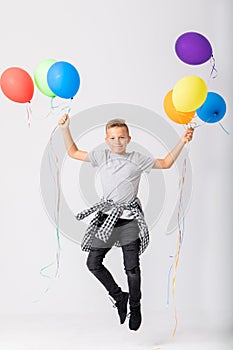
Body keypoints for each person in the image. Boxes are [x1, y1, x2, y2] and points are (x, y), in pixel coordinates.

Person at [58, 113, 194, 331]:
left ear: (129, 138)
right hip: (107, 220)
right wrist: (65, 128)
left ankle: (135, 305)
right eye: (112, 138)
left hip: (129, 222)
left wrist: (183, 140)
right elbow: (73, 152)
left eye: (121, 137)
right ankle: (119, 296)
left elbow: (166, 163)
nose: (117, 142)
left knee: (132, 268)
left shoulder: (137, 159)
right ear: (106, 140)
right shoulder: (101, 156)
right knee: (93, 263)